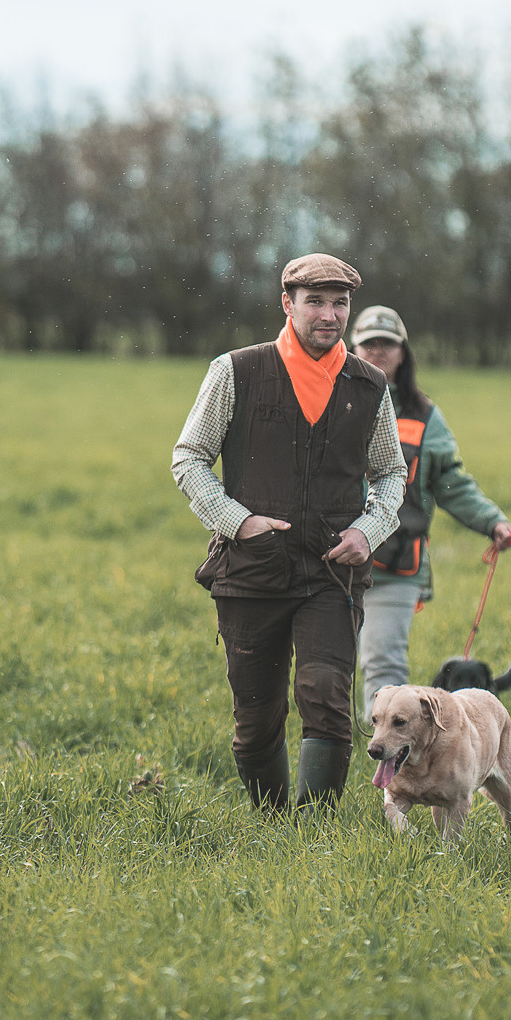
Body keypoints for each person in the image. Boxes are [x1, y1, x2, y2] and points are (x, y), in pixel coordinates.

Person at [172, 257, 407, 815]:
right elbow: (189, 457)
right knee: (256, 717)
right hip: (252, 570)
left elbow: (392, 473)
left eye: (340, 303)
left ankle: (315, 829)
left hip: (332, 572)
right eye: (316, 302)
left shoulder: (369, 385)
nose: (330, 315)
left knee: (326, 695)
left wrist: (367, 531)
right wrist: (238, 522)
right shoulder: (235, 371)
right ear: (287, 303)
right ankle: (273, 822)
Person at [349, 305, 511, 718]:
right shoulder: (329, 401)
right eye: (368, 343)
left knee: (384, 664)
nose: (377, 351)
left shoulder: (426, 417)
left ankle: (387, 754)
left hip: (395, 565)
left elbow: (452, 483)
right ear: (351, 348)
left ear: (403, 353)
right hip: (329, 559)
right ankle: (335, 749)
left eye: (386, 344)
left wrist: (492, 520)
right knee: (328, 667)